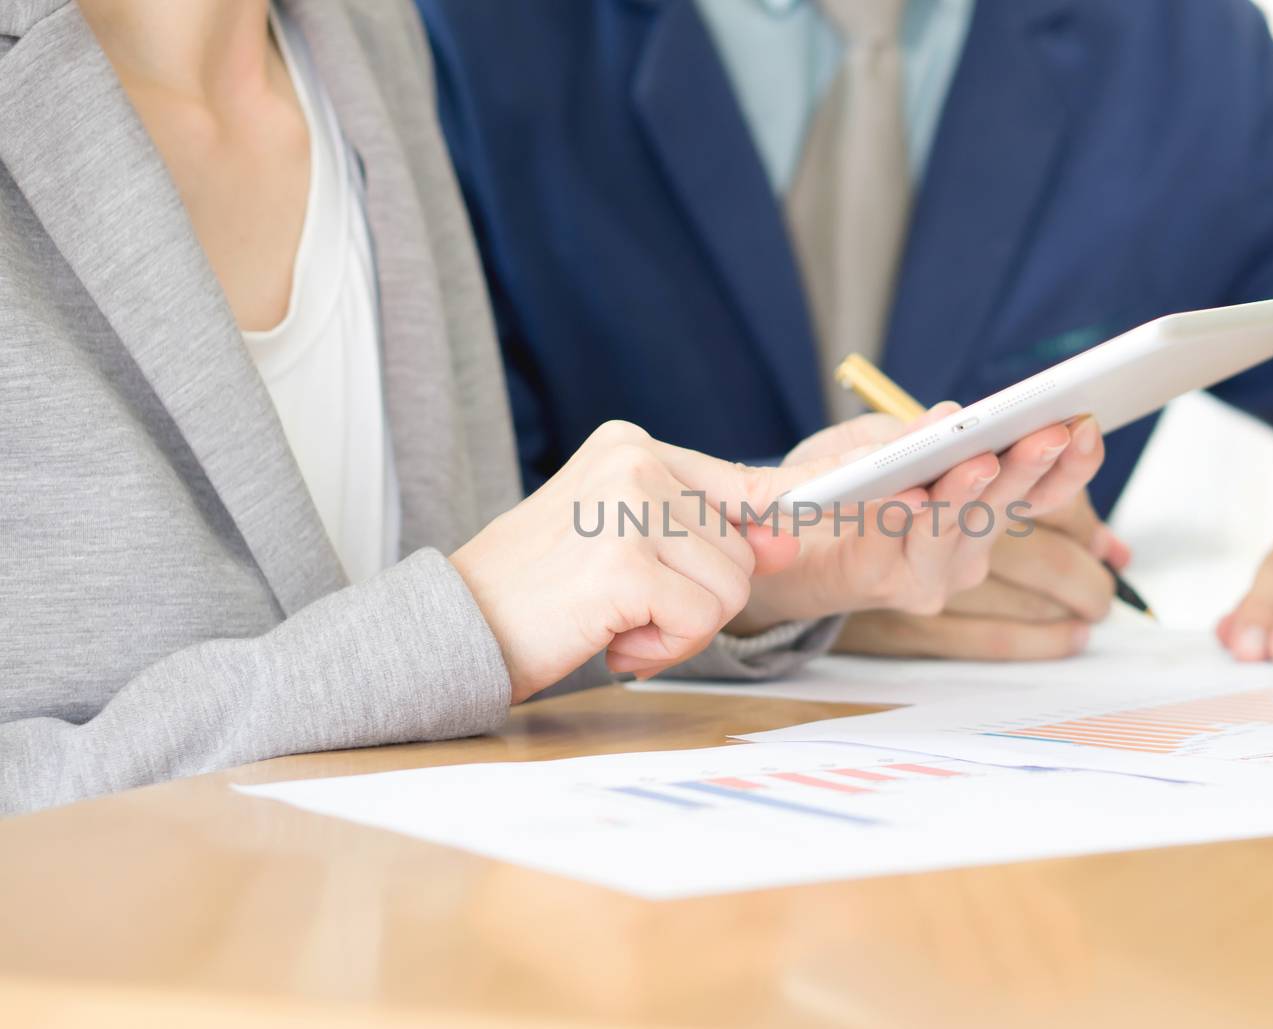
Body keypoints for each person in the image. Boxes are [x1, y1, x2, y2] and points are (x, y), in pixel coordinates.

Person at [0, 0, 1099, 815]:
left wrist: (763, 561)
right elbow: (444, 633)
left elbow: (422, 666)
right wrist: (471, 615)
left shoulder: (366, 45)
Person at [418, 0, 1273, 668]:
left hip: (1018, 879)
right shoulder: (448, 38)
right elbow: (401, 529)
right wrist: (793, 583)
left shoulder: (1171, 50)